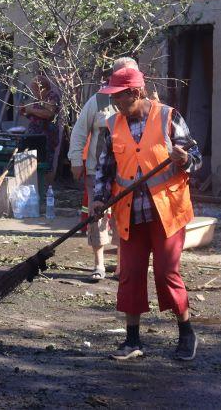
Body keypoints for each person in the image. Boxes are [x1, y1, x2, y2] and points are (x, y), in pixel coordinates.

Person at [92, 66, 202, 362]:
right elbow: (105, 168)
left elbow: (196, 157)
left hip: (167, 212)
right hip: (129, 212)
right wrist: (99, 199)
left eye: (120, 97)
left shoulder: (168, 117)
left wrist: (186, 159)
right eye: (113, 98)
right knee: (130, 274)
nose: (115, 103)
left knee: (167, 273)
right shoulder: (113, 124)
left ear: (136, 93)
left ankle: (186, 334)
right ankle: (132, 340)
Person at [68, 57, 138, 281]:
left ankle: (121, 266)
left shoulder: (140, 102)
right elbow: (80, 131)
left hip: (127, 173)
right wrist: (76, 160)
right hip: (96, 171)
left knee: (124, 217)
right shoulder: (97, 101)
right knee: (96, 216)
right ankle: (98, 265)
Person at [20, 74, 59, 162]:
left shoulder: (51, 96)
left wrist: (31, 110)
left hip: (46, 138)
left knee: (44, 164)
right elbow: (36, 115)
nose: (33, 92)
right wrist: (26, 112)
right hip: (34, 137)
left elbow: (48, 113)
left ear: (41, 88)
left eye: (34, 90)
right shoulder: (38, 98)